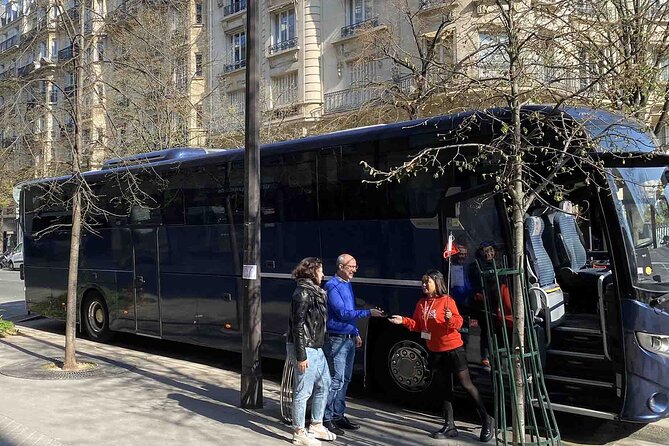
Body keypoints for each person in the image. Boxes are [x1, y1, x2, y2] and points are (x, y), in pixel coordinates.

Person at [388, 270, 494, 442]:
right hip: (435, 350)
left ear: (437, 283)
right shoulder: (421, 303)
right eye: (422, 282)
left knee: (466, 385)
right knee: (443, 388)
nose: (423, 285)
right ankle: (449, 425)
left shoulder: (447, 301)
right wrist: (404, 321)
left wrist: (450, 318)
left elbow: (458, 323)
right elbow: (417, 325)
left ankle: (486, 419)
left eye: (427, 282)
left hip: (453, 349)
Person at [323, 254, 384, 436]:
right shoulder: (332, 285)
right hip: (337, 339)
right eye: (352, 266)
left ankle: (338, 414)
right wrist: (368, 313)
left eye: (355, 266)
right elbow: (342, 312)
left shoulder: (347, 284)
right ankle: (326, 418)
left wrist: (356, 332)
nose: (355, 270)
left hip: (348, 337)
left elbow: (350, 312)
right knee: (336, 379)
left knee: (346, 378)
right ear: (341, 266)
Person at [286, 257, 337, 446]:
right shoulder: (303, 294)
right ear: (312, 271)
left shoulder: (315, 292)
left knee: (325, 383)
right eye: (321, 270)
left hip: (315, 346)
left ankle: (316, 424)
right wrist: (301, 355)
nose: (323, 274)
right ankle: (298, 432)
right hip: (305, 347)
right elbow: (297, 326)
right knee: (303, 390)